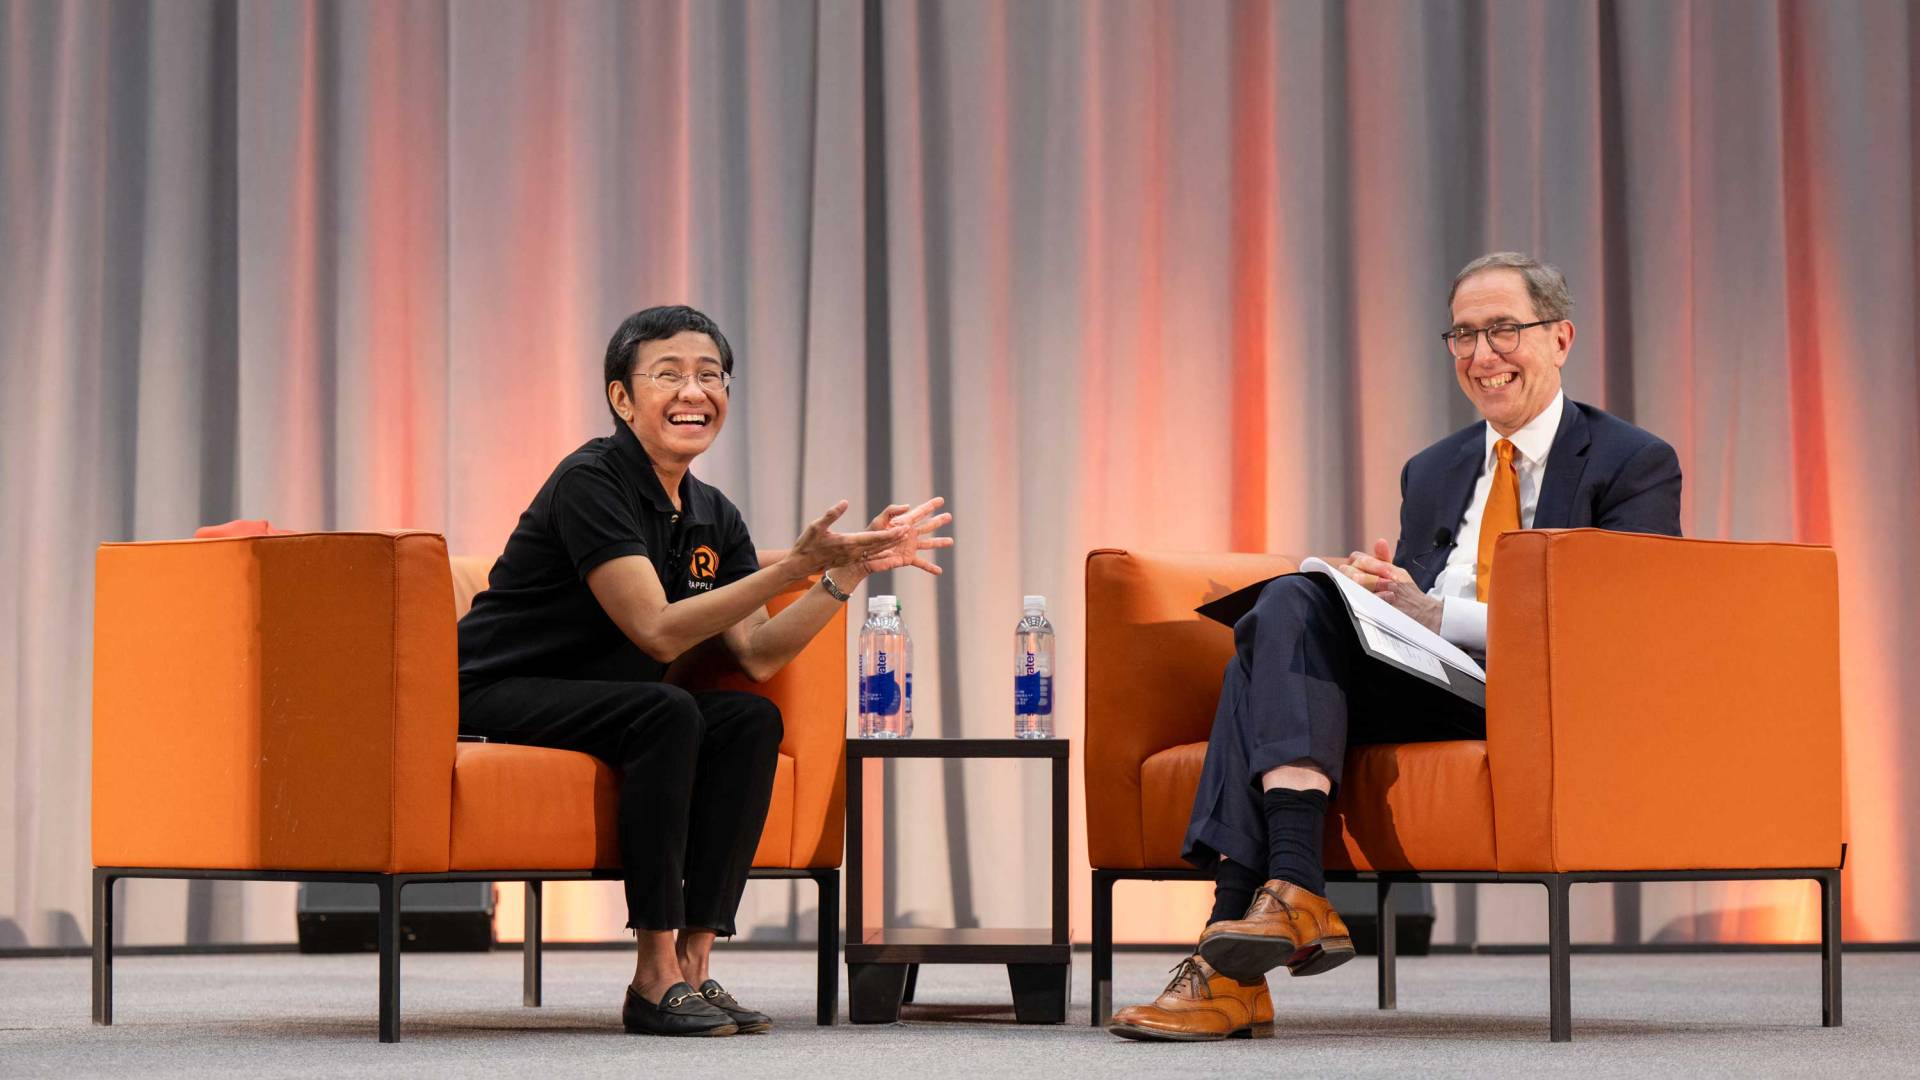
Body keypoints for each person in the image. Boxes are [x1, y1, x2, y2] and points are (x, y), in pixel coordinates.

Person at [1109, 252, 1682, 1042]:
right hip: (1429, 680)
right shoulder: (1435, 468)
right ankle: (1287, 898)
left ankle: (1231, 955)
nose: (1483, 356)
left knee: (1268, 646)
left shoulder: (1633, 462)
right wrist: (1374, 597)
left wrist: (1438, 614)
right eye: (1464, 336)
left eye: (1504, 330)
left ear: (1560, 337)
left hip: (1532, 690)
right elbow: (1411, 602)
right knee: (1289, 608)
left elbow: (1623, 621)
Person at [457, 305, 952, 1037]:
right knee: (666, 710)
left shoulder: (713, 513)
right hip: (497, 688)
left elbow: (757, 652)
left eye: (710, 375)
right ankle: (651, 976)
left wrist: (841, 576)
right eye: (669, 375)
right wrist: (797, 562)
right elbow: (656, 631)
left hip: (602, 699)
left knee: (750, 718)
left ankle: (693, 964)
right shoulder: (592, 481)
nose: (694, 392)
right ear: (623, 399)